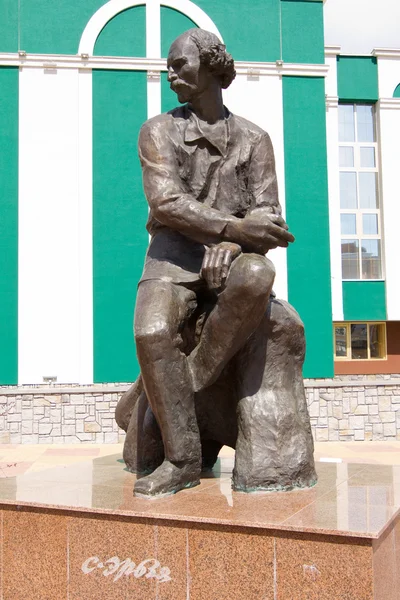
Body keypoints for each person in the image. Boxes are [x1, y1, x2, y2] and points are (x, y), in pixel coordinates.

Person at [133, 28, 294, 497]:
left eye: (179, 64)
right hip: (172, 257)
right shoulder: (158, 131)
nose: (170, 74)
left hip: (235, 257)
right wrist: (232, 229)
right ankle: (182, 458)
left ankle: (191, 383)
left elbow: (269, 215)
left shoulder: (254, 138)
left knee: (260, 275)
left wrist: (240, 243)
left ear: (209, 66)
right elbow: (166, 203)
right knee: (151, 331)